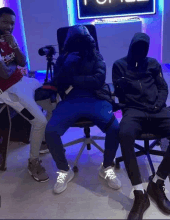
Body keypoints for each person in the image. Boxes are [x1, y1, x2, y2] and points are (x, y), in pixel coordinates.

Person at [112, 32, 170, 219]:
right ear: (130, 46)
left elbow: (162, 87)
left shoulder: (153, 64)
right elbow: (119, 94)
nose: (140, 51)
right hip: (134, 111)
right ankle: (140, 193)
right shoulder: (119, 65)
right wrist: (128, 105)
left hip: (157, 109)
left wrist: (158, 104)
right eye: (137, 47)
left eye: (143, 48)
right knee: (125, 134)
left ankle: (157, 181)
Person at [0, 7, 55, 182]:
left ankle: (42, 140)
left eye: (12, 23)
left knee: (53, 100)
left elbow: (23, 61)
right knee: (39, 121)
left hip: (23, 82)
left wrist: (14, 45)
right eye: (5, 22)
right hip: (8, 91)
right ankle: (33, 162)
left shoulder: (8, 39)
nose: (9, 26)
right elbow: (5, 73)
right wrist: (15, 67)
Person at [45, 25, 122, 194]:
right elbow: (56, 83)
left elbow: (98, 80)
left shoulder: (95, 55)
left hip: (96, 98)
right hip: (71, 100)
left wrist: (72, 80)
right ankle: (65, 170)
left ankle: (107, 167)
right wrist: (66, 65)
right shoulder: (63, 58)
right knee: (50, 131)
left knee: (115, 128)